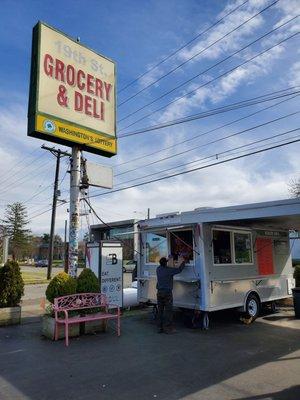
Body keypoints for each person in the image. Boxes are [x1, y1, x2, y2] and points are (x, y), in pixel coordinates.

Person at [156, 255, 186, 333]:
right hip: (167, 293)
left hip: (159, 293)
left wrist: (169, 259)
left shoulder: (158, 269)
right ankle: (168, 328)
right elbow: (179, 270)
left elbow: (164, 265)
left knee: (160, 310)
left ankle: (160, 327)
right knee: (168, 311)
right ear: (166, 263)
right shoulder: (169, 270)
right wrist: (183, 262)